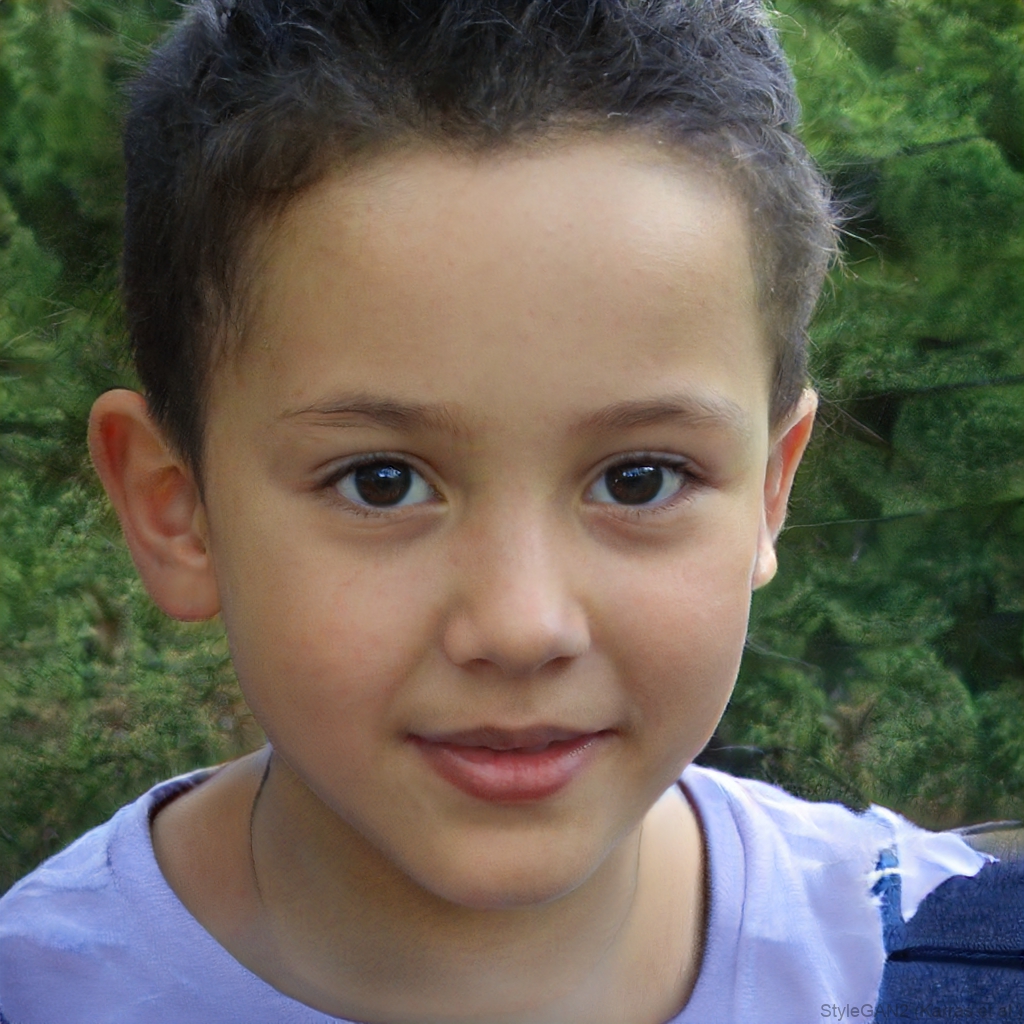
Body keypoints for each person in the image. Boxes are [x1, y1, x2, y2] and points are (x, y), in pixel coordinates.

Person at [0, 1, 1006, 1021]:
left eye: (639, 479)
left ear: (767, 493)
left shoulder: (956, 966)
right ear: (177, 510)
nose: (522, 626)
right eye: (380, 481)